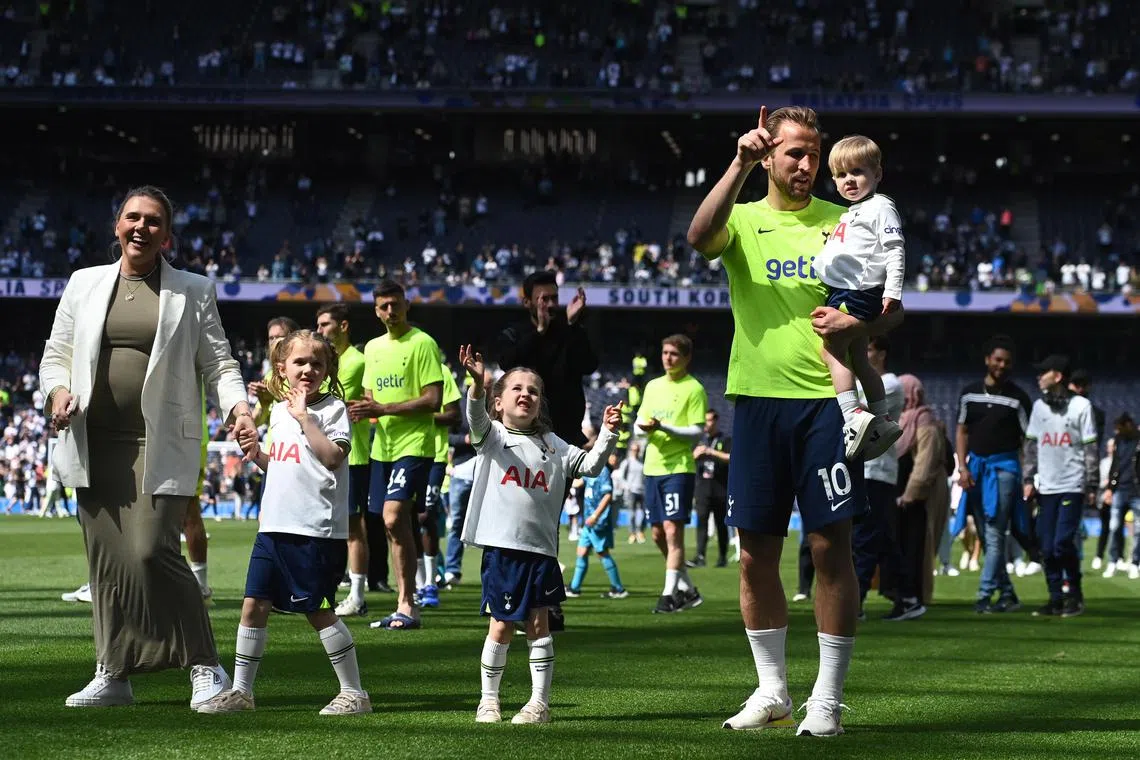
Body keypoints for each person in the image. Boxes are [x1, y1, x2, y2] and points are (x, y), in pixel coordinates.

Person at [688, 105, 902, 736]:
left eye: (815, 154)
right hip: (754, 402)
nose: (808, 166)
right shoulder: (745, 219)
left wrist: (857, 324)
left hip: (825, 409)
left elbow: (891, 310)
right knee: (755, 553)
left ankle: (828, 700)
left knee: (830, 547)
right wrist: (738, 162)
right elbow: (699, 238)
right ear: (770, 155)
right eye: (795, 154)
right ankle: (773, 691)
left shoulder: (850, 219)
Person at [40, 185, 255, 709]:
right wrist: (58, 391)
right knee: (108, 564)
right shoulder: (83, 283)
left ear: (167, 234)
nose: (141, 227)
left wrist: (239, 408)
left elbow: (220, 363)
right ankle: (113, 672)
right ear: (116, 226)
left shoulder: (193, 289)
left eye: (153, 220)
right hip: (93, 441)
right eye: (132, 217)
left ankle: (204, 665)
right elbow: (56, 355)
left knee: (152, 550)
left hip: (157, 441)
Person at [200, 330, 371, 715]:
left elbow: (331, 458)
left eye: (317, 363)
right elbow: (281, 465)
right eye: (300, 362)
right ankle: (242, 692)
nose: (309, 369)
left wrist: (306, 418)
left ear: (328, 370)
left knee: (317, 610)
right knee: (253, 605)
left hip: (314, 529)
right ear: (282, 369)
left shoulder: (332, 410)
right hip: (274, 525)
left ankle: (355, 693)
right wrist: (256, 453)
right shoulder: (278, 411)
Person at [457, 346, 620, 725]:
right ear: (499, 402)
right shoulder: (492, 436)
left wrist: (609, 432)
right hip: (504, 550)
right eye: (516, 388)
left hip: (542, 551)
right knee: (500, 624)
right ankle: (489, 700)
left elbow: (593, 466)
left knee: (538, 625)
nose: (525, 394)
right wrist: (478, 385)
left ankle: (538, 704)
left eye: (533, 389)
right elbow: (475, 417)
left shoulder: (555, 444)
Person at [495, 270, 598, 632]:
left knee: (548, 519)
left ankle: (546, 602)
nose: (550, 304)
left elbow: (589, 364)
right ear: (526, 301)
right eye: (543, 298)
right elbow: (509, 364)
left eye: (553, 297)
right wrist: (539, 333)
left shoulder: (570, 331)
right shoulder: (515, 332)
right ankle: (514, 598)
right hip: (519, 442)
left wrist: (574, 325)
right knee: (519, 519)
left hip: (562, 439)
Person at [350, 280, 443, 630]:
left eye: (396, 304)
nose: (391, 311)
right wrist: (361, 410)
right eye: (383, 306)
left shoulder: (422, 343)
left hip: (415, 444)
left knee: (392, 518)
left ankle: (409, 600)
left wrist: (383, 407)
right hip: (381, 448)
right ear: (376, 310)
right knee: (393, 526)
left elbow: (433, 399)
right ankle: (407, 603)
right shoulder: (372, 348)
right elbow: (371, 401)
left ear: (407, 305)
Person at [813, 135, 904, 460]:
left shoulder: (880, 206)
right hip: (847, 289)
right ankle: (881, 420)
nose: (848, 180)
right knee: (859, 359)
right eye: (840, 175)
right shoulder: (852, 212)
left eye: (857, 171)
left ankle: (853, 416)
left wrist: (892, 291)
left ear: (877, 174)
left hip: (856, 292)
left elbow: (895, 250)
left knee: (831, 351)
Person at [952, 334, 1034, 614]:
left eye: (1007, 362)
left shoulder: (1019, 398)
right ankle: (1008, 594)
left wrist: (1028, 476)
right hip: (975, 470)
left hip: (1004, 470)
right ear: (987, 360)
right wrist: (962, 467)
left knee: (995, 532)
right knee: (987, 537)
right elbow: (961, 431)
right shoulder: (969, 393)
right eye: (998, 360)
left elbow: (1029, 439)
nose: (1002, 365)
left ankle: (985, 595)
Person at [1022, 355, 1098, 618]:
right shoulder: (1039, 408)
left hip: (1072, 484)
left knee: (1061, 543)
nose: (1038, 376)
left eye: (1043, 372)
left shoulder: (1081, 406)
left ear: (1057, 376)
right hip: (1047, 487)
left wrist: (1091, 485)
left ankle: (1074, 594)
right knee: (1045, 546)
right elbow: (1031, 447)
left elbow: (1090, 448)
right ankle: (1055, 599)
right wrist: (1029, 479)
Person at [637, 334, 708, 614]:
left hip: (678, 467)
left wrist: (663, 427)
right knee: (656, 533)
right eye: (665, 352)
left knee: (672, 530)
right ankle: (687, 589)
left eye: (674, 354)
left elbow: (696, 432)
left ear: (687, 358)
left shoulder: (695, 389)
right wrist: (643, 428)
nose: (667, 358)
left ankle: (668, 595)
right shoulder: (652, 386)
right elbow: (639, 423)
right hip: (651, 466)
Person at [316, 304, 377, 618]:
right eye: (318, 324)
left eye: (326, 324)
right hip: (324, 456)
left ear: (343, 326)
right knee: (327, 525)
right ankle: (327, 587)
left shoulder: (356, 361)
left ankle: (357, 595)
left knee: (353, 526)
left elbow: (354, 400)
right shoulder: (325, 362)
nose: (321, 329)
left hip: (353, 455)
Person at [850, 335, 909, 620]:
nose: (862, 351)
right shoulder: (861, 382)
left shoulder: (892, 384)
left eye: (868, 347)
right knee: (880, 537)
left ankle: (856, 602)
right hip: (864, 468)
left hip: (878, 470)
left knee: (864, 537)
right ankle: (906, 596)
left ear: (882, 354)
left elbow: (856, 410)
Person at [895, 374, 951, 609]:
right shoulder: (901, 419)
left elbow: (925, 463)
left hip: (920, 497)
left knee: (918, 547)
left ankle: (915, 596)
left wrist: (910, 494)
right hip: (903, 496)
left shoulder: (924, 420)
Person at [417, 358, 461, 607]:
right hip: (398, 452)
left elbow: (453, 415)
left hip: (434, 455)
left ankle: (430, 583)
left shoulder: (442, 371)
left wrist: (418, 413)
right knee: (403, 518)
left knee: (424, 516)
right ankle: (418, 582)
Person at [565, 460, 628, 599]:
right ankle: (574, 588)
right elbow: (579, 482)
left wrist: (595, 515)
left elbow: (607, 495)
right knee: (581, 551)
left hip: (598, 521)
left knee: (602, 553)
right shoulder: (592, 468)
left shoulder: (603, 471)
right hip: (589, 521)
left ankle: (619, 589)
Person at [690, 409, 731, 568]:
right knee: (701, 522)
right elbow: (689, 460)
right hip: (702, 489)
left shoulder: (725, 440)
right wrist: (695, 455)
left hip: (720, 489)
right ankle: (700, 556)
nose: (707, 424)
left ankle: (722, 557)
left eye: (709, 420)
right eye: (705, 420)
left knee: (722, 524)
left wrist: (711, 452)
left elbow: (730, 457)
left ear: (716, 421)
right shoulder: (698, 440)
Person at [1103, 413, 1140, 578]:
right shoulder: (1118, 440)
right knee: (1114, 527)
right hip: (1120, 490)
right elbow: (1115, 464)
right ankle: (1113, 560)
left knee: (1139, 530)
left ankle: (1135, 562)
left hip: (1137, 491)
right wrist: (1110, 488)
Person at [616, 442, 646, 544]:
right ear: (630, 451)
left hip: (642, 490)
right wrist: (627, 487)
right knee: (632, 514)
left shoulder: (642, 462)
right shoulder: (627, 462)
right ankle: (632, 533)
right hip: (631, 491)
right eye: (633, 450)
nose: (635, 452)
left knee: (644, 513)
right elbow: (621, 477)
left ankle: (640, 531)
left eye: (637, 450)